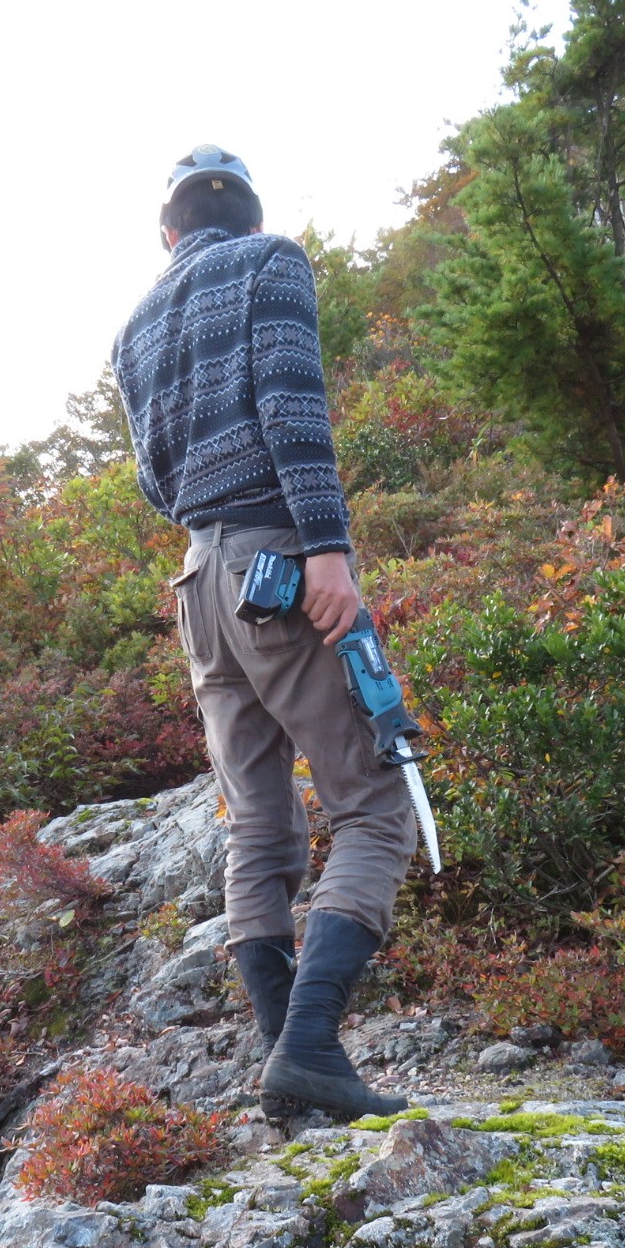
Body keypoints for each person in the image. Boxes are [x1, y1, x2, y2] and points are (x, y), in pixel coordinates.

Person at [110, 145, 417, 1119]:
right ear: (244, 213)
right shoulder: (268, 261)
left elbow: (155, 482)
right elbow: (294, 412)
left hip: (197, 582)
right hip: (280, 564)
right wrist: (326, 548)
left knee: (258, 823)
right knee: (375, 804)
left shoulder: (129, 331)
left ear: (167, 230)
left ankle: (288, 1063)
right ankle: (311, 1048)